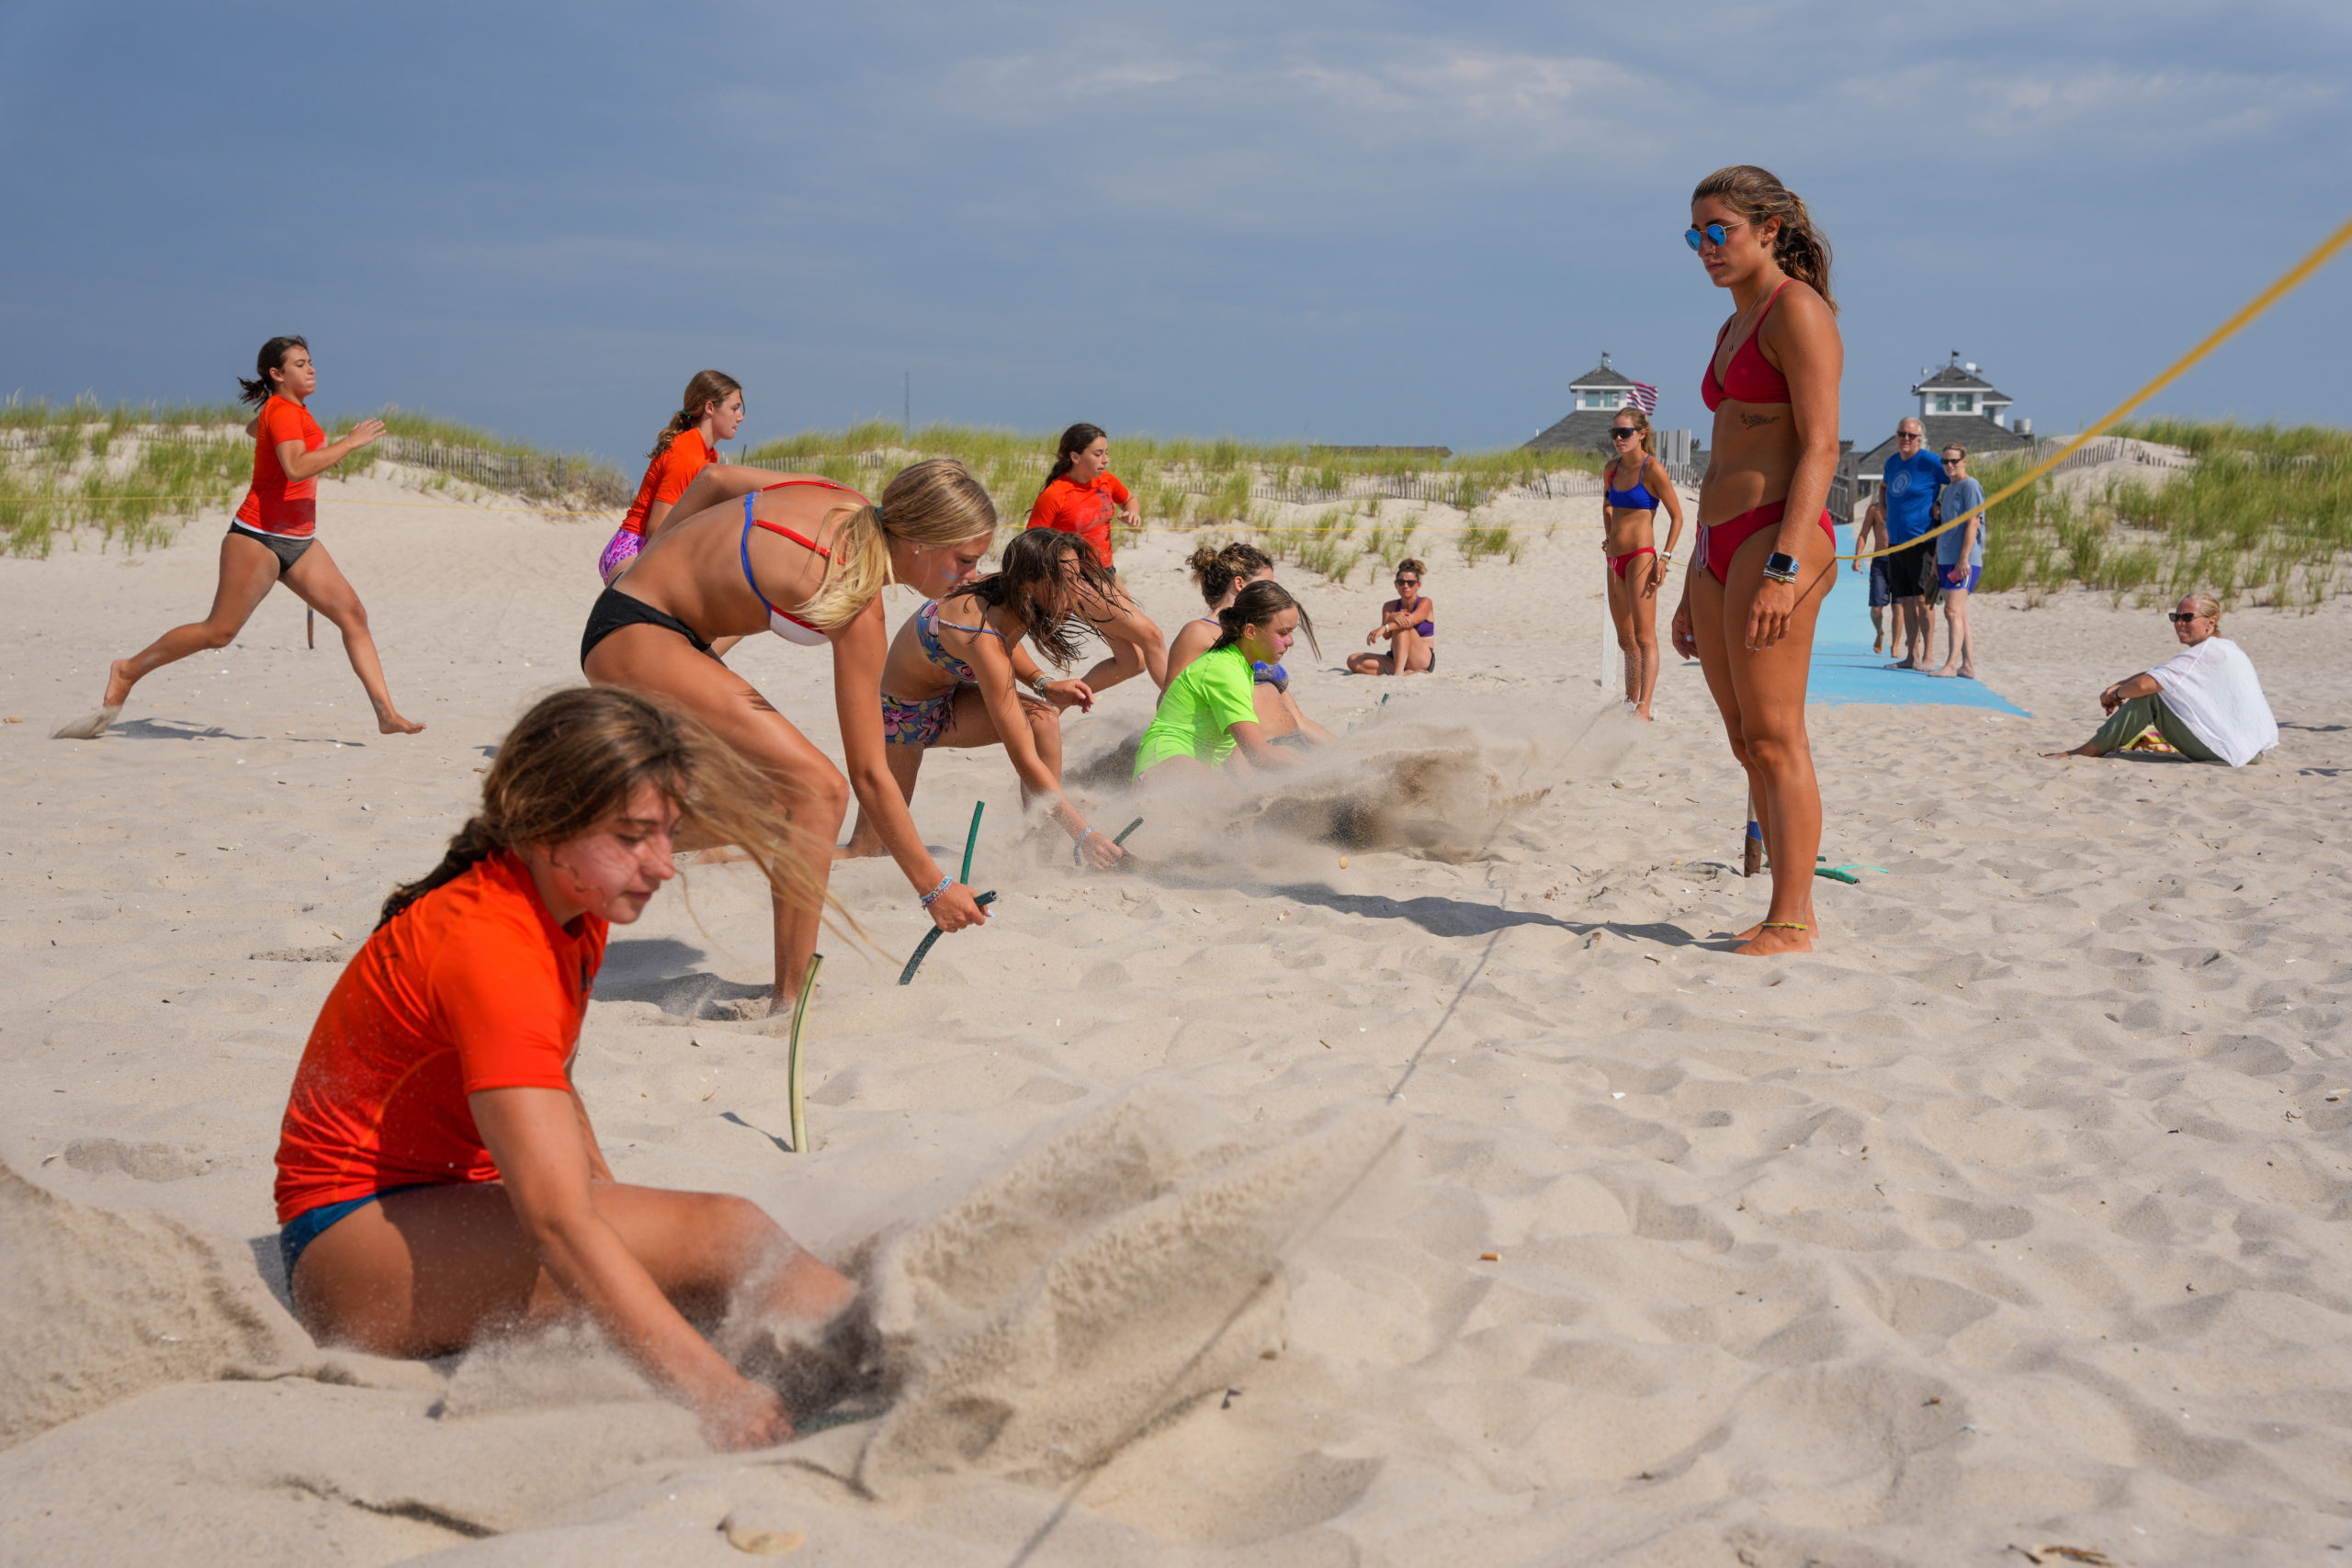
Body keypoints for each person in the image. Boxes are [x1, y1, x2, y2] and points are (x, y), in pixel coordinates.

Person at [274, 687, 856, 1450]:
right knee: (729, 1232)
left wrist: (626, 1219)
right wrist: (719, 1394)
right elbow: (555, 1221)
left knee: (688, 1244)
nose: (663, 865)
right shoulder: (493, 944)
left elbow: (557, 1091)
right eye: (634, 835)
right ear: (549, 827)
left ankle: (877, 1349)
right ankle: (896, 1360)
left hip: (436, 1208)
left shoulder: (568, 901)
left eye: (668, 835)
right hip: (349, 1251)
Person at [579, 458, 995, 1012]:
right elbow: (870, 775)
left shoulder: (842, 499)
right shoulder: (858, 604)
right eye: (964, 560)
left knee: (784, 802)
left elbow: (715, 481)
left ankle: (598, 846)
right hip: (636, 635)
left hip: (645, 622)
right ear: (919, 541)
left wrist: (647, 565)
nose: (972, 575)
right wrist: (934, 887)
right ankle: (791, 1001)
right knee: (816, 791)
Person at [60, 336, 421, 740]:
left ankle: (387, 714)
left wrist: (273, 425)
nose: (311, 369)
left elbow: (257, 429)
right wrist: (349, 443)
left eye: (311, 362)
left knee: (352, 615)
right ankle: (127, 670)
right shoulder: (283, 411)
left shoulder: (286, 410)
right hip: (258, 538)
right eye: (300, 364)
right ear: (277, 374)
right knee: (219, 632)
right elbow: (296, 468)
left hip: (300, 541)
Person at [1668, 164, 1842, 956]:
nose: (1706, 248)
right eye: (1695, 235)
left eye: (1720, 232)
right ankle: (1780, 906)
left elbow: (1821, 445)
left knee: (1776, 735)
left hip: (1778, 537)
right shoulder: (1730, 323)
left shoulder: (1795, 310)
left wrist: (1782, 565)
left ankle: (1794, 918)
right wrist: (1687, 580)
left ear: (1769, 230)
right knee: (1744, 740)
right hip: (1716, 545)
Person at [842, 528, 1129, 867]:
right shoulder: (979, 634)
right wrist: (1085, 834)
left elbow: (1008, 639)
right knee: (866, 850)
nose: (1076, 590)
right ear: (1030, 582)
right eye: (1066, 580)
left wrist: (1045, 685)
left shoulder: (1013, 592)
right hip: (903, 718)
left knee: (1044, 719)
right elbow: (1023, 756)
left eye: (1077, 577)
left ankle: (1043, 848)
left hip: (950, 698)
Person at [2045, 594, 2277, 765]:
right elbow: (2159, 673)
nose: (2179, 623)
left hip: (2231, 751)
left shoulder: (2206, 652)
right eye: (2175, 617)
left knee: (2150, 697)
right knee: (2152, 690)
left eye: (2187, 617)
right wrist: (2117, 686)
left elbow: (2147, 685)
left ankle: (2088, 750)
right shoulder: (2222, 648)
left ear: (2211, 622)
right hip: (2249, 750)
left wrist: (2116, 694)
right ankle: (2102, 743)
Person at [1136, 581, 1318, 783]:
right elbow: (1258, 753)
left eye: (1292, 631)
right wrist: (1322, 772)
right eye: (1283, 632)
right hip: (1163, 769)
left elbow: (1234, 749)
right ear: (1250, 632)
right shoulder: (1225, 670)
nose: (1290, 641)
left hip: (1190, 774)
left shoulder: (1240, 665)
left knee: (1249, 799)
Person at [1028, 423, 1167, 689]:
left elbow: (1129, 498)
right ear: (1075, 457)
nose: (1106, 460)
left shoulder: (1105, 481)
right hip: (1080, 583)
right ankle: (1180, 714)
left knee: (1132, 662)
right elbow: (1030, 544)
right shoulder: (1056, 494)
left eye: (1106, 453)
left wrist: (1132, 511)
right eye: (1098, 454)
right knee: (1153, 637)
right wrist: (1055, 589)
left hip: (1109, 575)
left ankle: (1059, 705)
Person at [1167, 541, 1336, 746]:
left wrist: (1344, 753)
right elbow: (1169, 703)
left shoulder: (1257, 638)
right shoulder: (1199, 632)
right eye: (1267, 584)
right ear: (1240, 584)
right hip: (1252, 753)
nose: (1272, 591)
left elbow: (1299, 720)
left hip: (1289, 746)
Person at [599, 370, 744, 584]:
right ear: (710, 408)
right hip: (633, 550)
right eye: (734, 408)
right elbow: (657, 527)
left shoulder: (707, 454)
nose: (740, 416)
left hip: (645, 547)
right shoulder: (688, 452)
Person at [1599, 411, 1689, 719]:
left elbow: (1678, 516)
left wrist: (1664, 557)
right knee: (1625, 640)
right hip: (1615, 560)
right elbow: (1608, 505)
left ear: (1641, 433)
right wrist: (1609, 536)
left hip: (1642, 556)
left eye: (1624, 433)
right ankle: (1629, 700)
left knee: (1644, 636)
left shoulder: (1653, 470)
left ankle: (1644, 706)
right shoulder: (1611, 469)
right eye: (1614, 434)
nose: (1618, 439)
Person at [1880, 417, 1946, 670]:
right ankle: (1911, 655)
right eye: (1901, 434)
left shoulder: (1930, 462)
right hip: (1896, 543)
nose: (1906, 439)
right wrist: (1884, 511)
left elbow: (1955, 481)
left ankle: (1928, 656)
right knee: (1905, 601)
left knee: (1923, 600)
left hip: (1923, 541)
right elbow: (1884, 487)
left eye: (1911, 435)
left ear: (1920, 438)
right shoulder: (1892, 462)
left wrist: (1941, 508)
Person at [1929, 446, 1985, 680]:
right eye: (1945, 461)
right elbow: (1944, 526)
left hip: (1964, 559)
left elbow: (1973, 522)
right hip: (1946, 556)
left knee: (1952, 611)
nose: (1949, 465)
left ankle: (1951, 664)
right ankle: (1967, 665)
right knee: (1959, 613)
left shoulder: (1970, 486)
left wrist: (1964, 558)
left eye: (1954, 461)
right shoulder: (1949, 489)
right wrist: (1936, 557)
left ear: (1965, 461)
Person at [1348, 559, 1435, 675]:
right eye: (1401, 582)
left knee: (1403, 627)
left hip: (1421, 659)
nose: (1405, 586)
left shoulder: (1425, 602)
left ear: (1418, 585)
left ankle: (1398, 674)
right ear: (1396, 584)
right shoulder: (1389, 606)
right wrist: (1391, 617)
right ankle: (1405, 672)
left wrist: (1385, 627)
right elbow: (1386, 636)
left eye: (1410, 583)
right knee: (1353, 660)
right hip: (1396, 657)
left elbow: (1410, 621)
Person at [1852, 495, 1894, 655]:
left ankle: (1895, 646)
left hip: (1900, 561)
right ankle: (1880, 632)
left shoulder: (1903, 508)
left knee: (1900, 607)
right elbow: (1863, 534)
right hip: (1880, 561)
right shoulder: (1874, 510)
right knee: (1876, 609)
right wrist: (1857, 557)